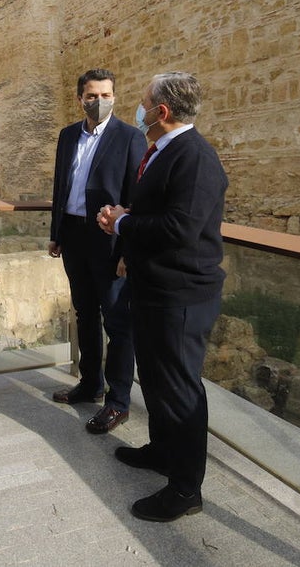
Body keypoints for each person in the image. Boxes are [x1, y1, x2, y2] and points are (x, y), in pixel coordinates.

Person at [97, 71, 228, 522]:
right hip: (154, 289)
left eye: (143, 102)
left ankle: (186, 488)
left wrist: (122, 224)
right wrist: (129, 220)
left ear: (162, 112)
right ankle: (161, 451)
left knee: (179, 389)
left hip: (181, 296)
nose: (139, 108)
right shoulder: (163, 152)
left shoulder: (195, 158)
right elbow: (161, 213)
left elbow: (180, 229)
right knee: (153, 378)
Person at [49, 68, 146, 434]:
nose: (99, 101)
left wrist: (128, 252)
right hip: (74, 236)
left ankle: (118, 401)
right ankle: (90, 383)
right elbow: (62, 184)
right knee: (85, 314)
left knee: (118, 322)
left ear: (114, 98)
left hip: (109, 241)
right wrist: (56, 232)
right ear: (80, 99)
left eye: (106, 95)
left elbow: (135, 199)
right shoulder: (68, 135)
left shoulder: (129, 137)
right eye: (92, 95)